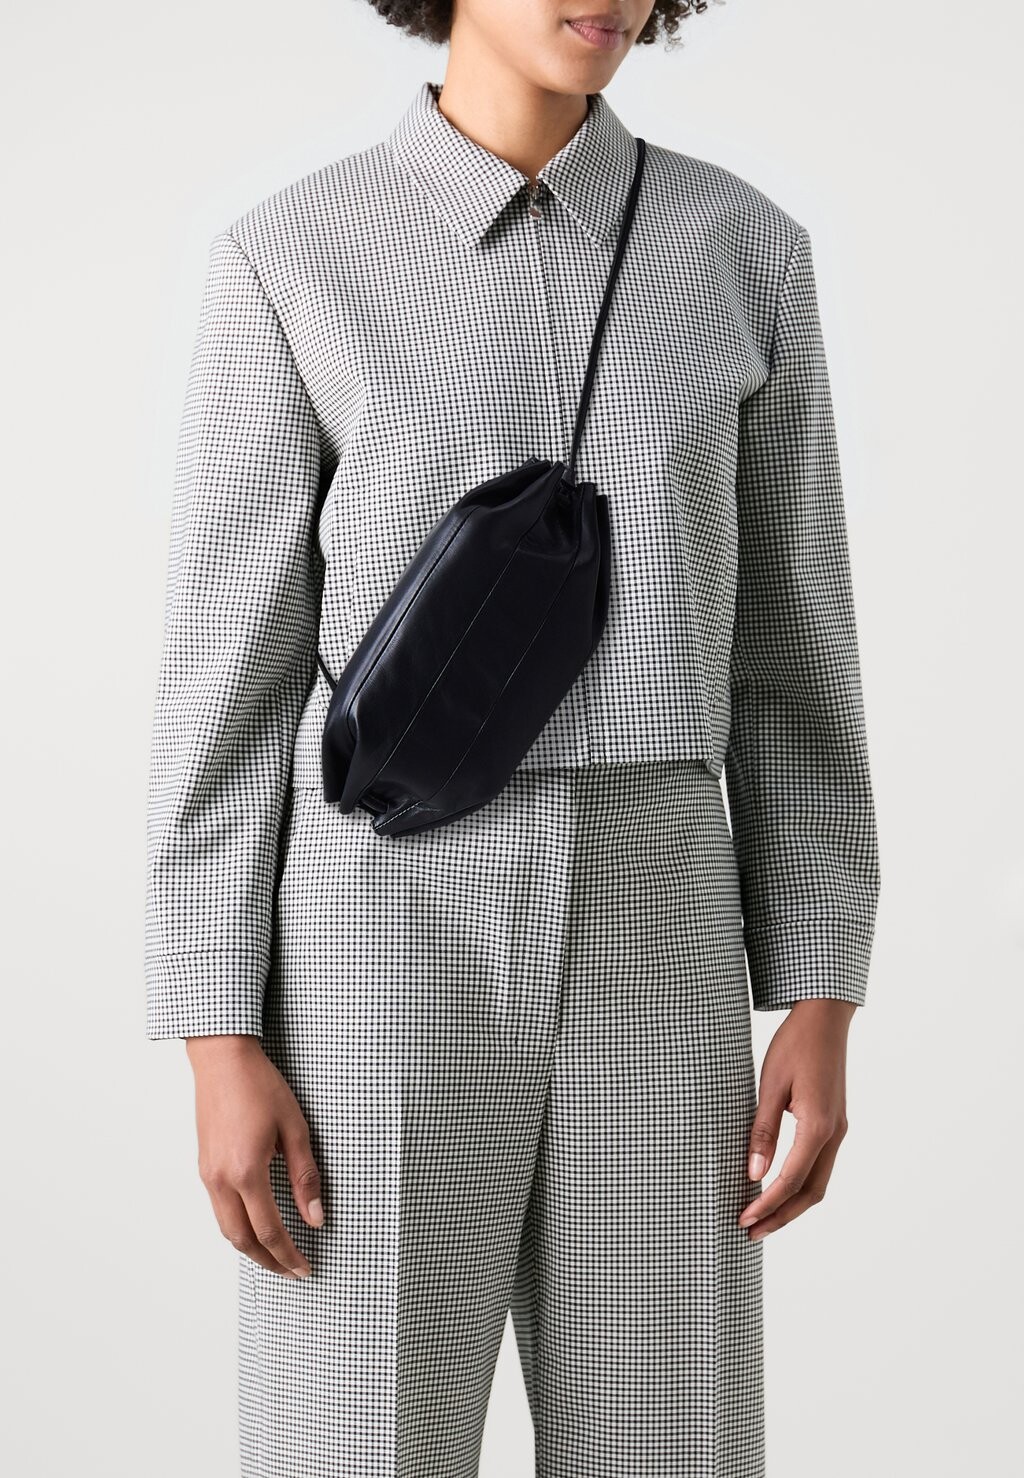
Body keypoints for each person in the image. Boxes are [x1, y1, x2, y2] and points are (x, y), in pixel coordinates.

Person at [143, 2, 882, 1475]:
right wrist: (216, 1032)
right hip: (376, 926)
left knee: (667, 1440)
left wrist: (822, 988)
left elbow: (794, 649)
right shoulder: (291, 255)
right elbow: (230, 672)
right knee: (355, 1441)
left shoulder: (744, 250)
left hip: (658, 915)